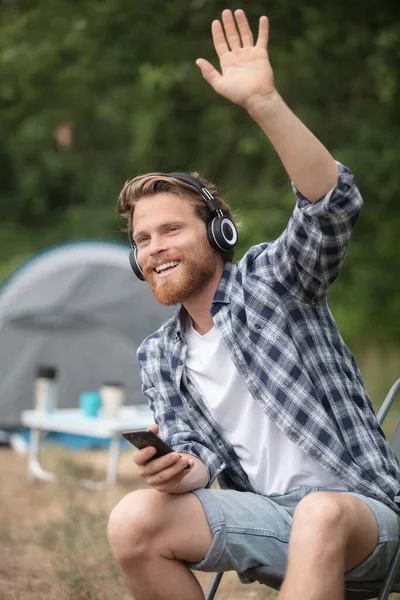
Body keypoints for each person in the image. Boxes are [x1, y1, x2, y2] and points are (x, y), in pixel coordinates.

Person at [107, 9, 400, 600]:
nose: (154, 248)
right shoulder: (160, 354)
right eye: (142, 239)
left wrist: (264, 101)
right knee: (132, 520)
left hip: (366, 517)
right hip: (268, 520)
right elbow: (200, 453)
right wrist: (179, 469)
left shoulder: (274, 281)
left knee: (320, 511)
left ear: (220, 233)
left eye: (170, 230)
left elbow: (331, 209)